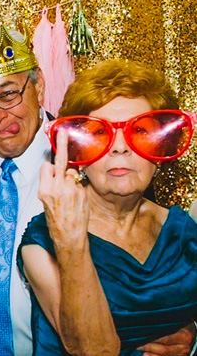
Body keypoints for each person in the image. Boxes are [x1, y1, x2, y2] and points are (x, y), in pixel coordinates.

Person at [0, 25, 196, 355]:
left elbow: (151, 279)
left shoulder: (99, 158)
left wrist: (187, 330)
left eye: (8, 94)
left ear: (38, 86)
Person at [17, 59, 197, 355]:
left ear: (162, 148)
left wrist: (192, 335)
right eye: (100, 134)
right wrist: (70, 239)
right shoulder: (42, 241)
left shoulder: (184, 230)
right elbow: (93, 350)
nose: (120, 147)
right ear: (78, 151)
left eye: (140, 132)